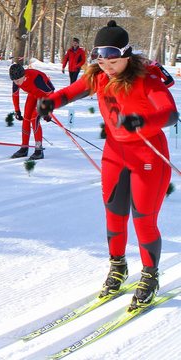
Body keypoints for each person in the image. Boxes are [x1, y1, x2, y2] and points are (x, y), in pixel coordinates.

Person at [37, 20, 178, 311]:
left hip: (148, 158)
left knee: (143, 220)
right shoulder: (98, 76)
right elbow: (70, 92)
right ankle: (118, 267)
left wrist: (143, 121)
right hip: (115, 155)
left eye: (113, 61)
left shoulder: (147, 77)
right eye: (102, 61)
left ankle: (150, 276)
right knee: (114, 216)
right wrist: (50, 102)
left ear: (127, 55)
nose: (108, 67)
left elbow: (170, 113)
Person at [9, 63, 55, 160]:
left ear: (24, 76)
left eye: (18, 80)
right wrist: (17, 111)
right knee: (26, 118)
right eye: (14, 81)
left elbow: (51, 93)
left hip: (45, 96)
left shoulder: (36, 78)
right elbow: (15, 95)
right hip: (33, 94)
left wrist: (48, 111)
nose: (16, 83)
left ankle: (39, 150)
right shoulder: (16, 80)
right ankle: (24, 148)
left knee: (34, 119)